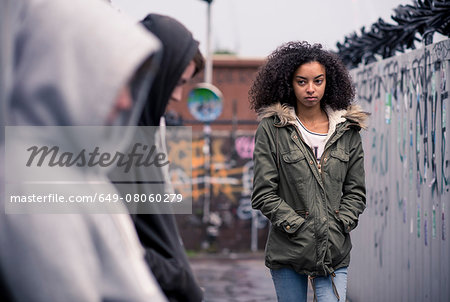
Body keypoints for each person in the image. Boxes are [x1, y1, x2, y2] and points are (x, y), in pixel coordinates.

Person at [0, 0, 167, 301]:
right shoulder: (34, 184)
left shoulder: (71, 168)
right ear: (66, 68)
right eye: (112, 81)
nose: (125, 102)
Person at [249, 41, 369, 302]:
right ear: (289, 83)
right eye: (302, 81)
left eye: (318, 80)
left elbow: (356, 191)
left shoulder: (347, 130)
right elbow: (263, 193)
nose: (311, 89)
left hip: (333, 251)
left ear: (329, 82)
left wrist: (339, 225)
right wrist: (299, 227)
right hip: (289, 249)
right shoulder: (273, 129)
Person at [116, 13, 205, 302]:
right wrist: (178, 276)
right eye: (176, 82)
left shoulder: (146, 132)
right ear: (155, 74)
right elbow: (116, 248)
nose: (178, 96)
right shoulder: (122, 144)